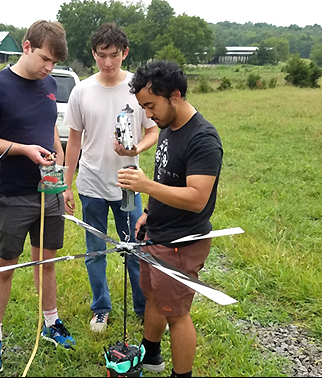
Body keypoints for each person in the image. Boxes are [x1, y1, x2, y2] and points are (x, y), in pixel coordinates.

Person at [0, 20, 74, 373]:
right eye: (45, 58)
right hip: (13, 193)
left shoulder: (48, 84)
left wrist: (57, 158)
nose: (49, 68)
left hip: (49, 192)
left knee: (47, 262)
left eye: (55, 63)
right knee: (5, 267)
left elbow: (48, 130)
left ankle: (51, 323)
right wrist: (23, 150)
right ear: (26, 47)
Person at [117, 60, 223, 377]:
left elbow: (196, 197)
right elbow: (168, 178)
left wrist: (144, 185)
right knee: (153, 297)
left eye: (151, 105)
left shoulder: (202, 139)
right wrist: (148, 212)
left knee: (176, 313)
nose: (148, 114)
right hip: (157, 234)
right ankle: (151, 356)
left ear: (174, 95)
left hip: (181, 243)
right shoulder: (169, 127)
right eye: (143, 107)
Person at [63, 23, 158, 332]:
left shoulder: (137, 89)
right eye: (101, 55)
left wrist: (135, 148)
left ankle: (143, 309)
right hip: (91, 183)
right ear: (93, 54)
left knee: (135, 250)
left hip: (129, 183)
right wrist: (66, 182)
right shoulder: (82, 91)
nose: (107, 63)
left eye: (113, 55)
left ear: (125, 53)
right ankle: (101, 308)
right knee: (95, 251)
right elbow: (74, 141)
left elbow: (153, 130)